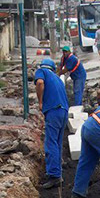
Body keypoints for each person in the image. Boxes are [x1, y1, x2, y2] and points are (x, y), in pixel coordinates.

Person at [34, 58, 69, 189]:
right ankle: (58, 172)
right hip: (64, 111)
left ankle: (54, 175)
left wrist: (40, 102)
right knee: (57, 143)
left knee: (50, 143)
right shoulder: (57, 78)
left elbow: (39, 83)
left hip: (54, 111)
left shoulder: (41, 71)